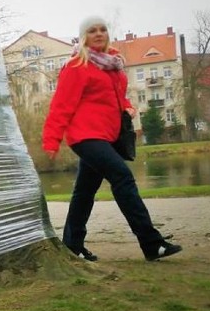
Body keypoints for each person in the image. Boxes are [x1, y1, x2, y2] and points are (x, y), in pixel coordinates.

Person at [42, 16, 183, 262]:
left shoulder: (112, 66)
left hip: (106, 136)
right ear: (84, 36)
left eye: (102, 29)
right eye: (92, 30)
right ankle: (151, 243)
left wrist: (127, 106)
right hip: (85, 136)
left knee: (84, 192)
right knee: (122, 177)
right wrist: (51, 141)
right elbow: (61, 106)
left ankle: (72, 247)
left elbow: (116, 98)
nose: (98, 33)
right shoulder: (76, 66)